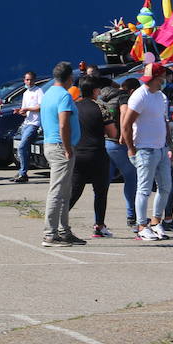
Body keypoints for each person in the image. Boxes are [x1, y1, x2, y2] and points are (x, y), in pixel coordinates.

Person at [122, 64, 172, 242]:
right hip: (144, 149)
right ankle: (142, 225)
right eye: (163, 78)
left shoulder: (160, 96)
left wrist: (169, 145)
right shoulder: (140, 96)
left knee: (165, 187)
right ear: (157, 78)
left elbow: (163, 121)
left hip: (160, 149)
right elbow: (126, 125)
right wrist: (131, 149)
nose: (165, 81)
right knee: (144, 190)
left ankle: (156, 221)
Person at [40, 61, 85, 247]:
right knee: (58, 191)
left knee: (65, 192)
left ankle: (64, 231)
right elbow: (64, 123)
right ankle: (50, 234)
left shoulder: (48, 93)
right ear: (69, 78)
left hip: (51, 144)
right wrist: (67, 148)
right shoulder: (64, 96)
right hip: (60, 147)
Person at [69, 77, 117, 237]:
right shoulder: (101, 107)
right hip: (97, 153)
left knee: (74, 191)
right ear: (96, 91)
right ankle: (99, 226)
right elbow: (112, 132)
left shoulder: (73, 106)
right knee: (100, 192)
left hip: (78, 153)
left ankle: (57, 221)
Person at [101, 78, 141, 229]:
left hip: (104, 143)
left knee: (103, 183)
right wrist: (124, 133)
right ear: (132, 91)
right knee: (132, 178)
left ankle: (99, 221)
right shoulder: (124, 96)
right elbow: (124, 111)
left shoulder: (103, 97)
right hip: (118, 143)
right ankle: (132, 216)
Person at [13, 71, 43, 183]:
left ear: (34, 80)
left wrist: (28, 109)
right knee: (21, 148)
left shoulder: (38, 91)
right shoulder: (26, 93)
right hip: (27, 123)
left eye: (30, 80)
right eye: (27, 80)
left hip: (35, 124)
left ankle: (23, 172)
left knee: (22, 147)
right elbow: (25, 111)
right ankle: (22, 171)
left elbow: (40, 107)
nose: (28, 82)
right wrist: (20, 111)